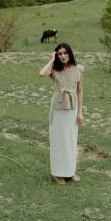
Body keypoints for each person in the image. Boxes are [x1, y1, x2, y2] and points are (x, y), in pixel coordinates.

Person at [39, 42, 84, 185]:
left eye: (65, 53)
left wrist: (80, 112)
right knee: (59, 141)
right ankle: (58, 174)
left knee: (70, 141)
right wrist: (52, 59)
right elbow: (42, 73)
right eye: (60, 54)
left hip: (72, 108)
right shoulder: (54, 70)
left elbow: (79, 91)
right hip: (58, 109)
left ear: (70, 54)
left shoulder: (78, 69)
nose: (63, 56)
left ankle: (69, 172)